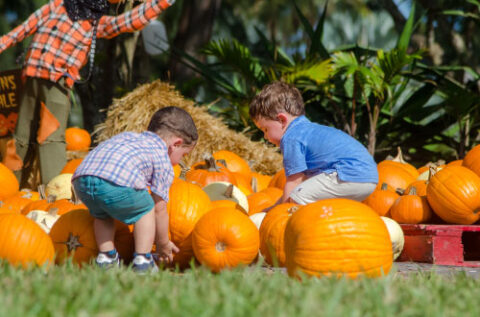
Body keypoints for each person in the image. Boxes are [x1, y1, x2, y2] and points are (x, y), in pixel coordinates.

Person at [0, 0, 175, 186]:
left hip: (57, 82)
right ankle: (10, 186)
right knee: (22, 136)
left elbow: (130, 21)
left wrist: (163, 2)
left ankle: (56, 192)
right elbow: (25, 28)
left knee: (50, 137)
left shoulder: (95, 23)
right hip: (33, 75)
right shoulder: (58, 4)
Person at [72, 106, 197, 273]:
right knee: (147, 207)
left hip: (82, 179)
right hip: (113, 183)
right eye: (184, 155)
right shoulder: (162, 159)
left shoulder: (129, 136)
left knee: (103, 214)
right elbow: (160, 210)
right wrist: (162, 243)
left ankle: (106, 257)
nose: (181, 161)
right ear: (176, 144)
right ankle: (143, 259)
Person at [249, 81, 378, 207]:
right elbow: (303, 183)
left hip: (347, 174)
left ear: (282, 120)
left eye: (265, 129)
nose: (265, 137)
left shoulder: (291, 138)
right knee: (309, 195)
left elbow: (294, 183)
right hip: (368, 177)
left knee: (298, 198)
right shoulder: (307, 131)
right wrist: (272, 209)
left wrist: (280, 213)